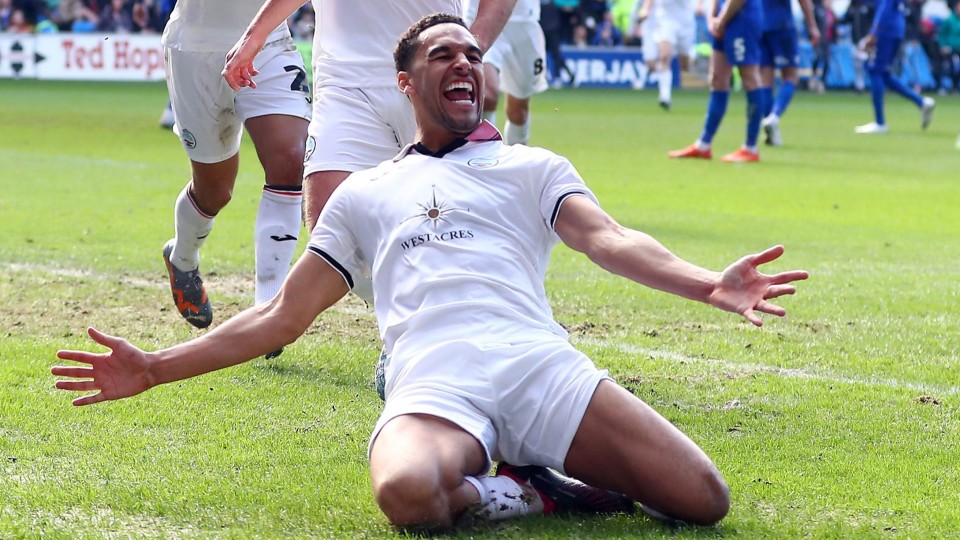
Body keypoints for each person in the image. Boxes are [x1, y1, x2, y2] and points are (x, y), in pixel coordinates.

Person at [53, 13, 810, 533]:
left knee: (703, 500)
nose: (466, 64)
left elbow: (609, 240)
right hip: (432, 384)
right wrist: (155, 368)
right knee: (406, 493)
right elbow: (281, 316)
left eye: (472, 56)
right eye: (443, 55)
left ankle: (528, 466)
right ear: (406, 85)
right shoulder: (365, 194)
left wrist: (707, 283)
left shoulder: (532, 166)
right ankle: (522, 490)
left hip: (539, 365)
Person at [223, 0, 517, 236]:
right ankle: (399, 299)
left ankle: (454, 299)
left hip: (431, 76)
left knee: (457, 223)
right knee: (329, 226)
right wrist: (257, 35)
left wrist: (469, 46)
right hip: (345, 78)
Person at [158, 0, 311, 350]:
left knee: (291, 158)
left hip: (268, 43)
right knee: (215, 191)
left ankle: (268, 312)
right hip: (194, 51)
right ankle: (182, 257)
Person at [668, 0, 765, 162]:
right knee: (717, 78)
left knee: (749, 78)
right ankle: (703, 145)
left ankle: (751, 147)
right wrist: (712, 18)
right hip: (723, 17)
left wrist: (722, 19)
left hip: (742, 16)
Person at [465, 0, 549, 145]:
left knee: (519, 110)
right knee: (487, 94)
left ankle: (516, 159)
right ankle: (485, 158)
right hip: (480, 18)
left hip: (523, 23)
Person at [853, 0, 935, 134]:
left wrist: (874, 32)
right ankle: (921, 102)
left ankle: (880, 122)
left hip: (885, 29)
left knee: (875, 70)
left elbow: (884, 6)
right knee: (884, 74)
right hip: (896, 28)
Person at [757, 0, 821, 147]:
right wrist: (812, 25)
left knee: (765, 79)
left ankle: (770, 129)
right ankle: (773, 117)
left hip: (761, 24)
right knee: (791, 76)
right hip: (782, 24)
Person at [635, 0, 698, 110]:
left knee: (685, 65)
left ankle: (692, 54)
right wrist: (645, 9)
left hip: (686, 22)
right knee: (664, 56)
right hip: (666, 20)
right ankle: (665, 97)